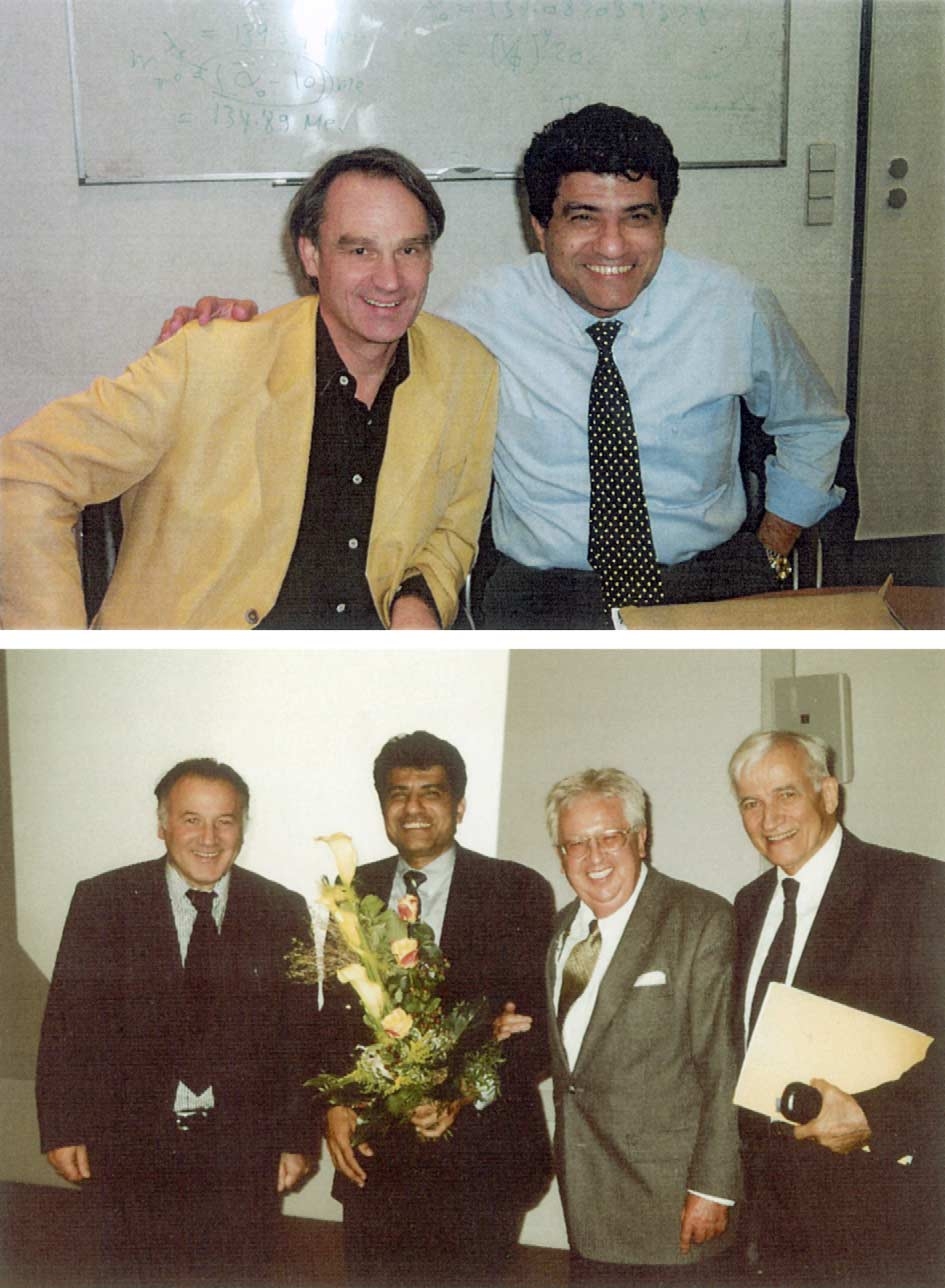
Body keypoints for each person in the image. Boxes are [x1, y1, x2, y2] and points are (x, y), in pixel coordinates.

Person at [161, 104, 848, 628]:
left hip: (709, 578)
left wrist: (770, 547)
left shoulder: (732, 306)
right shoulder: (476, 318)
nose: (613, 245)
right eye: (582, 218)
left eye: (637, 217)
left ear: (663, 220)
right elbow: (356, 339)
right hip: (545, 591)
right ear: (538, 225)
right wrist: (231, 334)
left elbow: (814, 425)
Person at [0, 148, 497, 629]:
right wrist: (56, 653)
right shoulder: (210, 358)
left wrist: (419, 600)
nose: (390, 279)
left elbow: (453, 528)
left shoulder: (467, 371)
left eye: (409, 249)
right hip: (199, 675)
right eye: (360, 250)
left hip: (362, 675)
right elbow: (26, 470)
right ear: (311, 254)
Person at [35, 758, 319, 1287]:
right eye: (191, 819)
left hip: (242, 1150)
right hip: (129, 1145)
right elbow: (67, 1023)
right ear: (162, 823)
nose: (209, 838)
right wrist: (62, 1126)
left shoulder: (282, 909)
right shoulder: (103, 901)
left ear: (243, 827)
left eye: (225, 821)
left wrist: (296, 1136)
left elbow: (298, 1036)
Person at [321, 730, 555, 1287]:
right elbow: (334, 1017)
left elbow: (537, 1032)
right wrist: (334, 1105)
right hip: (376, 1159)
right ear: (383, 807)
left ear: (459, 806)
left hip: (482, 1160)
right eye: (398, 794)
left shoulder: (518, 890)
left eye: (431, 792)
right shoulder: (355, 891)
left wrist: (462, 1089)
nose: (414, 807)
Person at [502, 768, 740, 1285]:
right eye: (575, 844)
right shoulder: (561, 931)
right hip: (587, 1202)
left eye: (609, 837)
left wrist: (713, 1188)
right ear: (560, 854)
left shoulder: (698, 919)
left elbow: (723, 1066)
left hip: (674, 1205)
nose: (594, 857)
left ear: (640, 838)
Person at [729, 731, 945, 1287]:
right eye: (750, 803)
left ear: (828, 794)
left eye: (786, 795)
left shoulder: (917, 888)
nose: (768, 817)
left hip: (875, 1218)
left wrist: (877, 1117)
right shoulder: (748, 905)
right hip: (768, 1220)